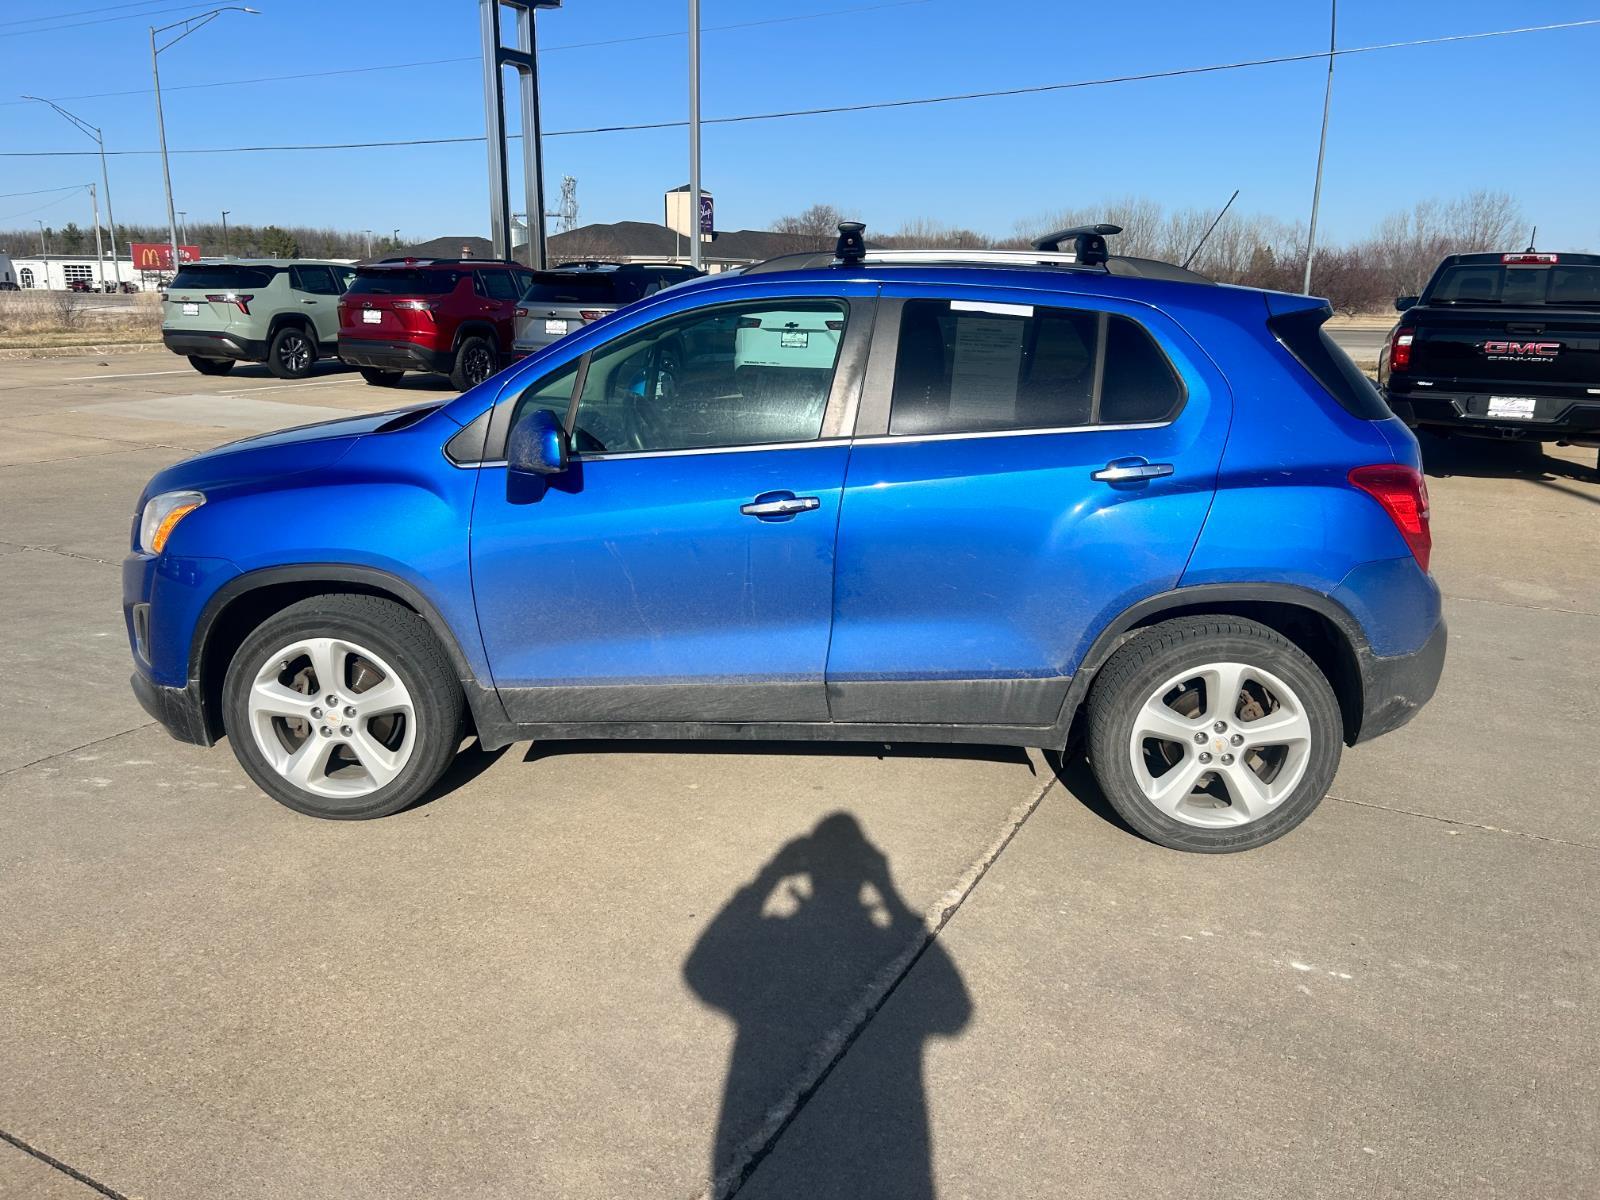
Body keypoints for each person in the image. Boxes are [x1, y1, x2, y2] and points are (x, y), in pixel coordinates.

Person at [684, 812, 971, 1196]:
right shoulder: (856, 933)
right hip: (895, 1153)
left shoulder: (775, 936)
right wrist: (888, 891)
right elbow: (954, 1012)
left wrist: (768, 876)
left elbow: (702, 968)